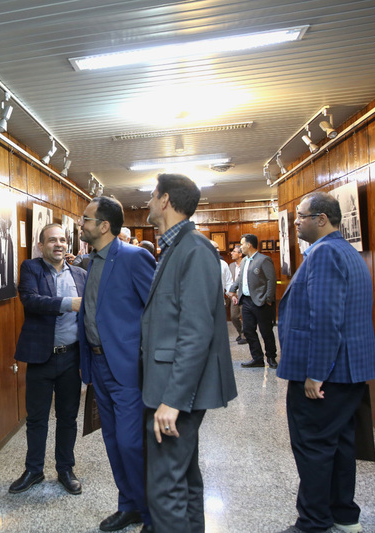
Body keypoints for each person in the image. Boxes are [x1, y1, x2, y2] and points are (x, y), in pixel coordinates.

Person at [277, 192, 375, 533]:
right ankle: (343, 514)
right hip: (349, 372)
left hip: (327, 374)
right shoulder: (346, 251)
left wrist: (315, 374)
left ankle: (314, 521)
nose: (295, 222)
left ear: (321, 219)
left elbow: (326, 320)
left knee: (314, 448)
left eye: (300, 216)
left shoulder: (323, 255)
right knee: (338, 445)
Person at [141, 173, 237, 533]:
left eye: (152, 195)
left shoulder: (195, 250)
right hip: (168, 386)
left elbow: (196, 333)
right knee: (184, 479)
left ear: (165, 200)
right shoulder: (176, 247)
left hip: (174, 393)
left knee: (164, 489)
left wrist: (174, 399)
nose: (148, 202)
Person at [77, 196, 156, 532]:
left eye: (85, 219)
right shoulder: (91, 261)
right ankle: (129, 506)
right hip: (97, 366)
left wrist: (145, 360)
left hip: (126, 368)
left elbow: (156, 312)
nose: (81, 224)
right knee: (112, 440)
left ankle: (153, 515)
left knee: (131, 442)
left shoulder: (135, 257)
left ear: (104, 226)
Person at [9, 224, 87, 496]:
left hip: (70, 358)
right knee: (37, 418)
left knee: (68, 417)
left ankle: (65, 469)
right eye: (52, 240)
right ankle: (34, 469)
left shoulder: (80, 274)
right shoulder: (31, 268)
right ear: (41, 245)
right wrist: (69, 303)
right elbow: (31, 301)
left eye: (63, 240)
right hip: (41, 358)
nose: (58, 244)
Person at [229, 233, 278, 368]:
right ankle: (257, 358)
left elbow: (271, 280)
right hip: (246, 302)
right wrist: (232, 289)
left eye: (242, 244)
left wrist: (268, 299)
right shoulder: (244, 261)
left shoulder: (264, 260)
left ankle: (271, 358)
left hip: (261, 302)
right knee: (249, 331)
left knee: (266, 331)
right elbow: (239, 279)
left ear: (249, 245)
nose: (241, 247)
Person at [228, 244, 246, 344]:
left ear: (240, 254)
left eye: (234, 251)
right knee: (234, 317)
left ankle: (244, 335)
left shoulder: (246, 264)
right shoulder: (231, 266)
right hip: (234, 295)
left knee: (245, 316)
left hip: (244, 295)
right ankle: (240, 333)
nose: (232, 253)